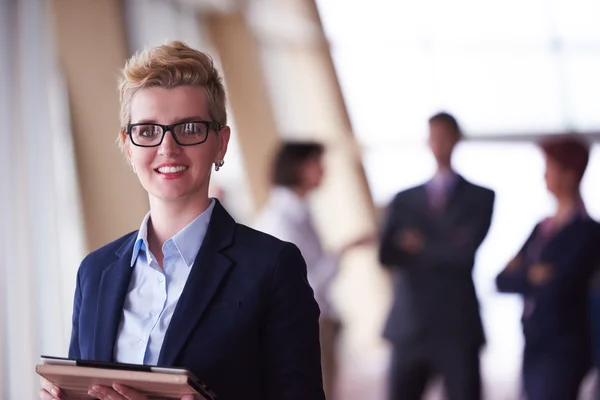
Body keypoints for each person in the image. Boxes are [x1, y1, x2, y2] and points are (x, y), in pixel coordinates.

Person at [40, 41, 325, 400]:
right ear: (128, 146)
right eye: (147, 131)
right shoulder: (95, 272)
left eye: (189, 128)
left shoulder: (271, 267)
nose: (167, 148)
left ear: (220, 144)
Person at [379, 112, 495, 400]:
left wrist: (418, 245)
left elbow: (463, 255)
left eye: (444, 136)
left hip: (457, 326)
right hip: (409, 325)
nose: (438, 143)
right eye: (433, 137)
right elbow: (386, 254)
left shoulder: (481, 197)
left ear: (457, 139)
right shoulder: (403, 199)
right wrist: (446, 243)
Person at [253, 141, 372, 400]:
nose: (323, 170)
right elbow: (307, 283)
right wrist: (345, 249)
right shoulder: (281, 221)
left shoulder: (297, 213)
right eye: (317, 163)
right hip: (304, 325)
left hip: (314, 321)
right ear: (299, 168)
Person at [496, 136, 599, 400]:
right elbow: (501, 280)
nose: (544, 175)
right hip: (534, 339)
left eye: (550, 167)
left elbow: (562, 284)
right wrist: (535, 275)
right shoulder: (542, 228)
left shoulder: (587, 231)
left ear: (569, 174)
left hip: (565, 344)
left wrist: (524, 273)